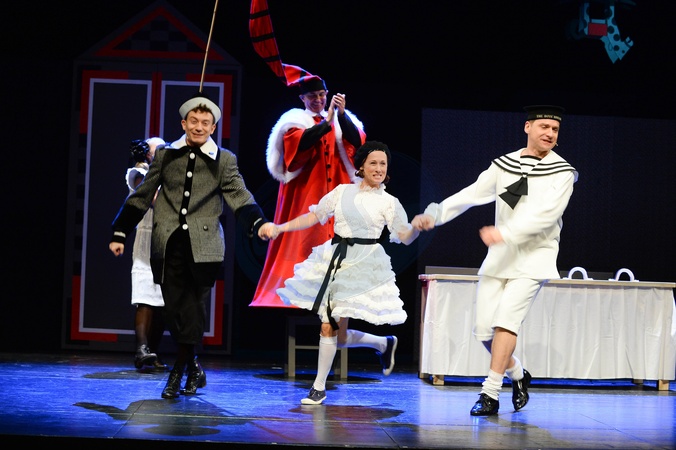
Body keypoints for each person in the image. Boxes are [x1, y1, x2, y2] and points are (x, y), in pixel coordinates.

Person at [412, 105, 578, 416]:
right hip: (500, 257)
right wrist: (436, 214)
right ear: (527, 127)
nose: (549, 134)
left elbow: (548, 215)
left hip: (534, 257)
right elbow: (472, 193)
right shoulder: (504, 164)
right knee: (483, 331)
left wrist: (506, 232)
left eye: (555, 130)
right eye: (544, 127)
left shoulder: (562, 172)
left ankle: (490, 393)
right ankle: (518, 373)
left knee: (506, 322)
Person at [109, 93, 274, 399]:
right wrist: (119, 231)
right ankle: (194, 366)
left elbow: (239, 194)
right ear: (184, 124)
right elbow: (143, 194)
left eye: (205, 123)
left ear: (213, 128)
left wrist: (258, 222)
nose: (199, 127)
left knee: (193, 308)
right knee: (173, 312)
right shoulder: (166, 155)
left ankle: (177, 372)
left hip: (205, 247)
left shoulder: (224, 160)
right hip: (167, 244)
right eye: (194, 121)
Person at [262, 141, 419, 405]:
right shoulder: (342, 191)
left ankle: (318, 387)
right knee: (338, 334)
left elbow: (404, 236)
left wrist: (415, 228)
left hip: (363, 265)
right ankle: (383, 344)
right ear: (361, 166)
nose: (378, 168)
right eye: (373, 163)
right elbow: (313, 216)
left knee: (329, 326)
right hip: (335, 259)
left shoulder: (389, 202)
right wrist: (280, 228)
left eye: (383, 164)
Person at [250, 75, 366, 307]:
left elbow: (357, 142)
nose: (318, 100)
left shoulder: (341, 119)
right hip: (308, 191)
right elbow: (300, 144)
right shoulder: (294, 121)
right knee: (307, 240)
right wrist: (326, 122)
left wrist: (341, 115)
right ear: (302, 98)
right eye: (312, 96)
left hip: (338, 189)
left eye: (322, 95)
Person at [126, 137, 168, 372]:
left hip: (165, 241)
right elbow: (154, 200)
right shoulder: (139, 173)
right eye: (158, 150)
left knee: (161, 304)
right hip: (146, 242)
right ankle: (141, 350)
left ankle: (154, 352)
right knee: (145, 298)